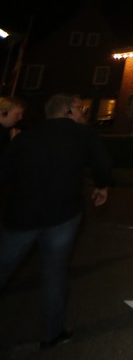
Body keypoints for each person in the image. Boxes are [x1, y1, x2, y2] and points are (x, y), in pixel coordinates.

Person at [0, 93, 114, 349]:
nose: (83, 113)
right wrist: (102, 185)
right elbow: (102, 163)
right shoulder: (83, 134)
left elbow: (4, 171)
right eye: (80, 109)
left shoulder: (26, 136)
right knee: (54, 271)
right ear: (68, 111)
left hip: (22, 214)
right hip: (62, 214)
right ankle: (51, 333)